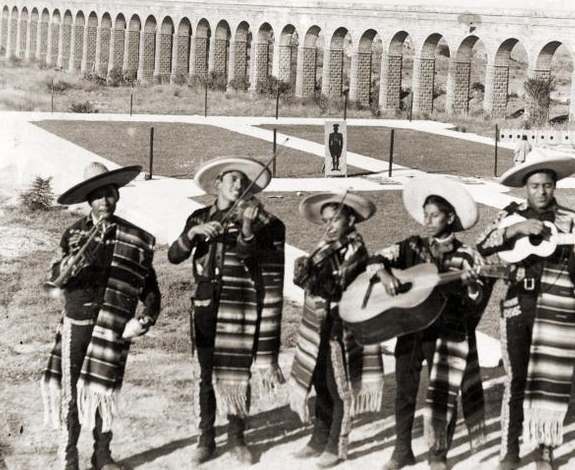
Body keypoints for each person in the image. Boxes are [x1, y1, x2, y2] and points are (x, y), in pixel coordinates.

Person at [476, 151, 575, 470]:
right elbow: (482, 245)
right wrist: (517, 230)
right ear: (524, 188)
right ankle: (510, 450)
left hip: (555, 304)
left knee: (549, 379)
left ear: (554, 186)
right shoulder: (510, 214)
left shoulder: (571, 220)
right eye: (534, 186)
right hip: (518, 305)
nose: (541, 191)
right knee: (515, 379)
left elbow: (574, 272)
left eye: (546, 185)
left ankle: (545, 447)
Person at [41, 162, 161, 470]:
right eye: (97, 196)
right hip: (78, 324)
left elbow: (150, 286)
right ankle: (68, 458)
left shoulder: (135, 238)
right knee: (71, 395)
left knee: (105, 390)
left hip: (114, 326)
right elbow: (56, 275)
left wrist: (147, 316)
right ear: (88, 201)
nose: (104, 201)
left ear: (117, 196)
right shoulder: (73, 234)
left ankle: (102, 455)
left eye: (109, 194)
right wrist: (73, 262)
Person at [167, 156, 286, 465]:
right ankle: (205, 438)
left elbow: (251, 256)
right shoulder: (198, 217)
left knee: (237, 374)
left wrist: (246, 226)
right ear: (216, 183)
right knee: (205, 375)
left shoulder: (264, 222)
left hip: (240, 305)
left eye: (242, 181)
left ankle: (237, 438)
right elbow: (173, 256)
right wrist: (192, 235)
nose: (238, 184)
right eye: (231, 178)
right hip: (206, 304)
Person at [368, 176, 487, 470]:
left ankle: (438, 454)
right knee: (405, 390)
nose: (428, 221)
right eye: (426, 215)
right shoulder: (410, 246)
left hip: (447, 334)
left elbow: (477, 300)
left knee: (444, 392)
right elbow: (375, 259)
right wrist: (386, 276)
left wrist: (471, 286)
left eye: (435, 215)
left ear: (449, 218)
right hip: (410, 330)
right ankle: (401, 450)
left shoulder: (467, 255)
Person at [288, 191, 384, 468]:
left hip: (341, 325)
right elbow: (313, 281)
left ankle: (336, 443)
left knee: (338, 385)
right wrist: (303, 274)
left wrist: (308, 276)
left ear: (350, 219)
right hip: (320, 323)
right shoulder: (325, 246)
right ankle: (319, 436)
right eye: (326, 221)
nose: (329, 226)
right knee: (319, 380)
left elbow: (336, 286)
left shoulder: (355, 249)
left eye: (335, 220)